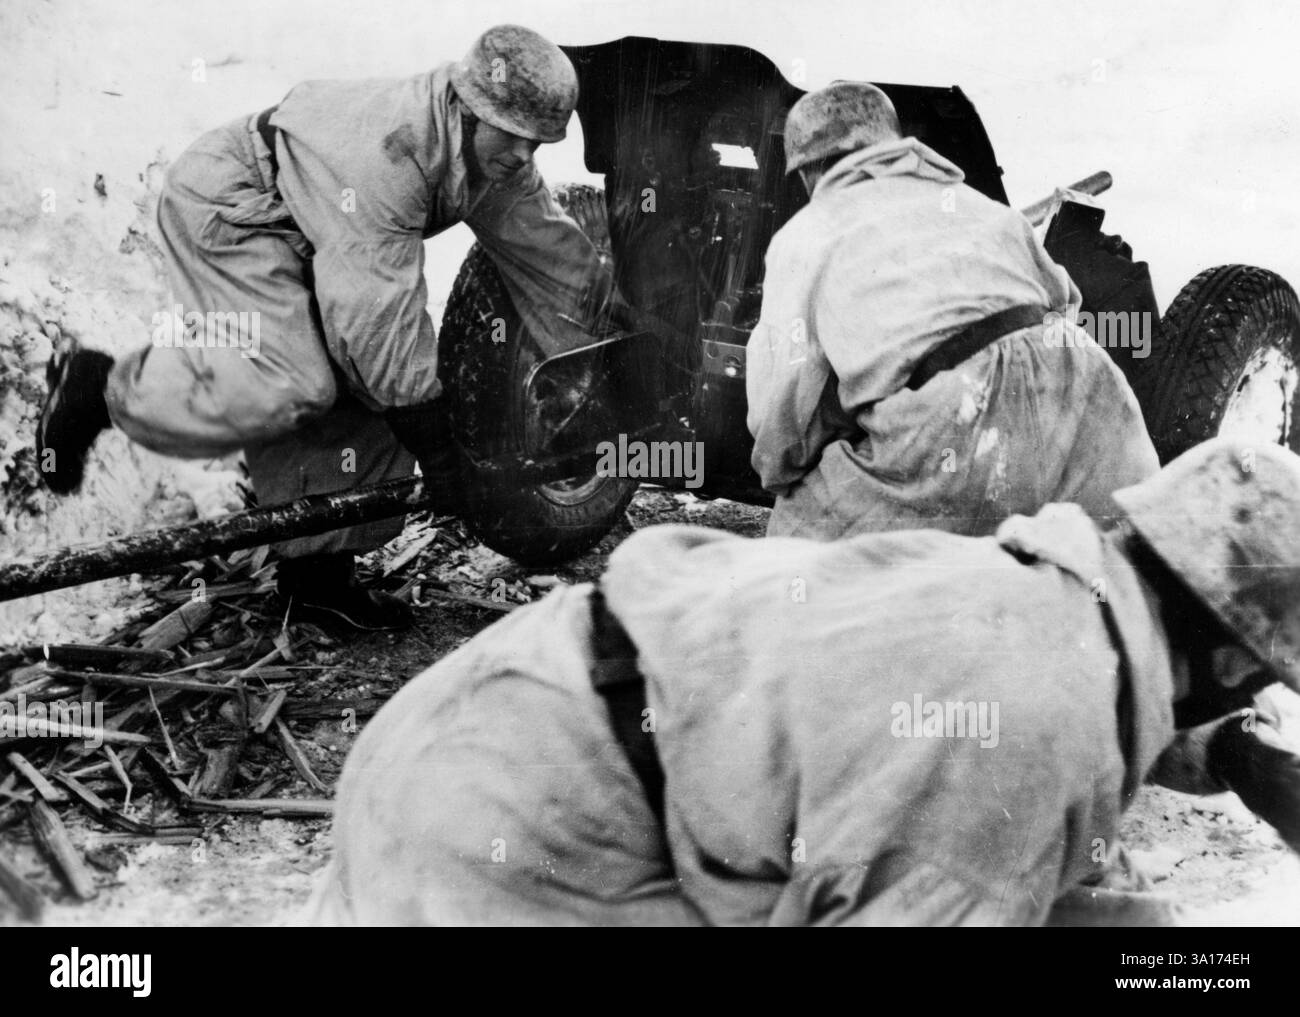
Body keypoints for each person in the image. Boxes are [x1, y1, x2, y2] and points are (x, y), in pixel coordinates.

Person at [305, 438, 1300, 925]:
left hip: (486, 724)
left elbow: (1082, 687)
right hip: (515, 840)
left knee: (1139, 935)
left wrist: (1235, 756)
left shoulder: (1042, 590)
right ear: (1224, 658)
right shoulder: (1040, 722)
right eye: (1258, 683)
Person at [36, 25, 616, 630]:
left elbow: (548, 252)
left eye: (538, 142)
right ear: (466, 108)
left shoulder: (494, 156)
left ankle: (316, 582)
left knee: (373, 384)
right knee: (295, 381)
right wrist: (442, 449)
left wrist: (618, 325)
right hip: (237, 207)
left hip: (318, 231)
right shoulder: (392, 147)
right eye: (514, 136)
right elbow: (375, 317)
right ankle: (101, 387)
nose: (524, 155)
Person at [746, 82, 1159, 540]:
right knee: (1110, 565)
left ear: (808, 169)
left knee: (795, 552)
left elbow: (785, 411)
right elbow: (1064, 302)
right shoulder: (981, 207)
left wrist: (783, 471)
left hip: (960, 414)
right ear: (892, 143)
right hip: (1091, 397)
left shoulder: (807, 235)